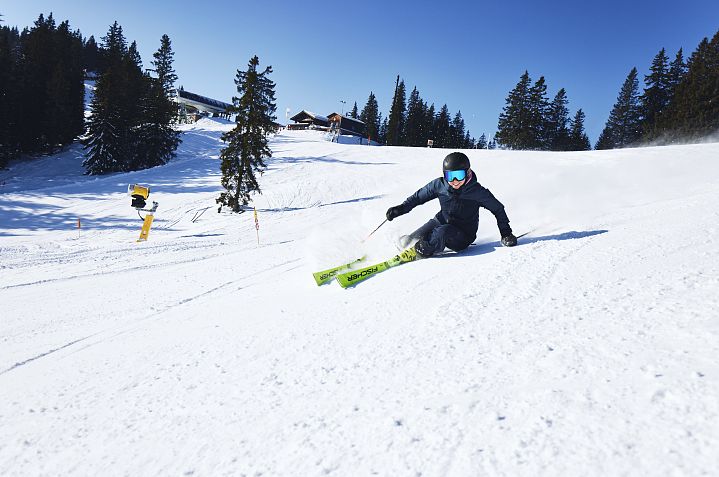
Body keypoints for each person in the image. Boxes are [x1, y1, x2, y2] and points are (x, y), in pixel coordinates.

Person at [385, 151, 517, 258]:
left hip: (463, 235)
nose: (454, 181)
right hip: (441, 221)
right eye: (450, 176)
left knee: (442, 232)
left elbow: (498, 209)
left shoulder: (477, 191)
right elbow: (418, 198)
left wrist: (506, 233)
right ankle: (411, 245)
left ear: (468, 172)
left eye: (459, 175)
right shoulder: (439, 185)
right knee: (408, 240)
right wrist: (401, 209)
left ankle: (421, 250)